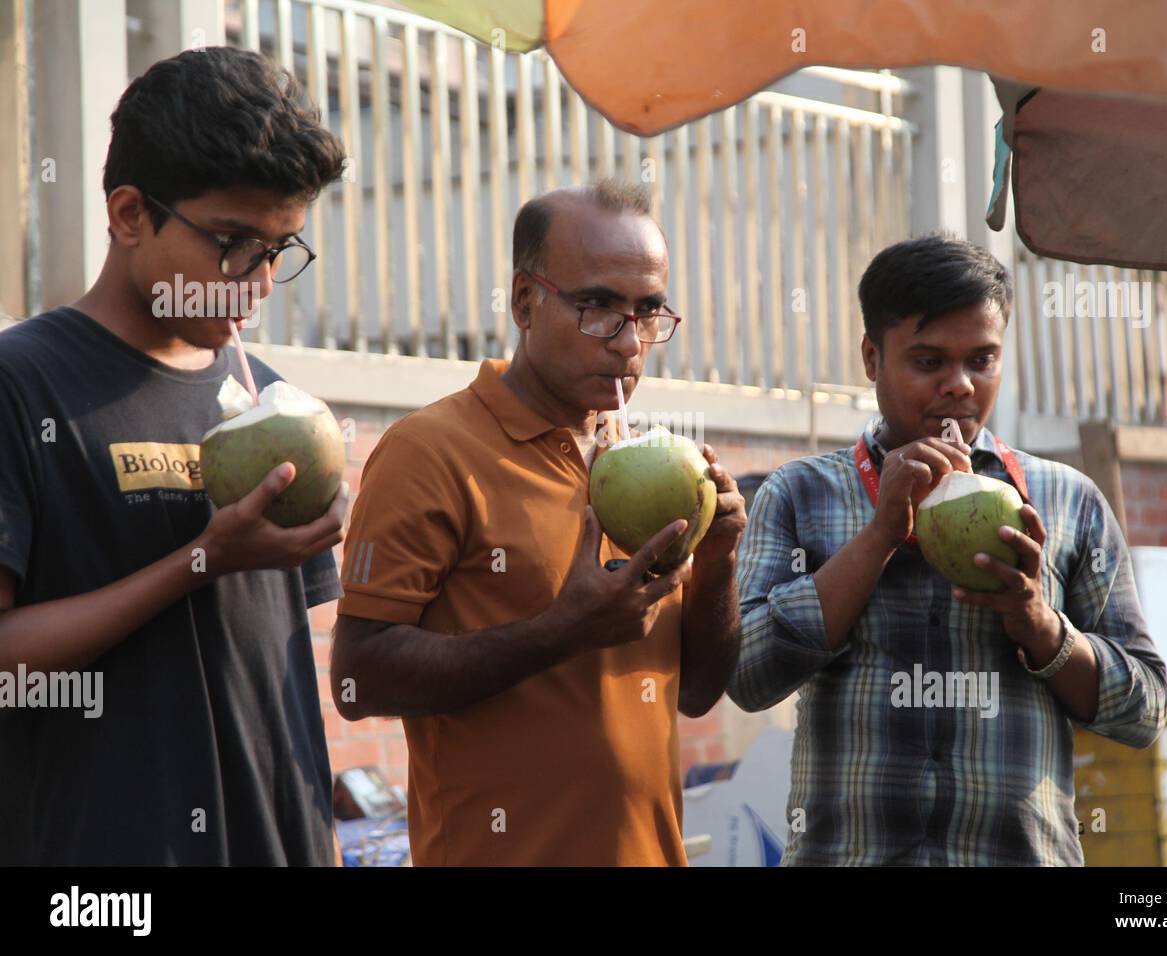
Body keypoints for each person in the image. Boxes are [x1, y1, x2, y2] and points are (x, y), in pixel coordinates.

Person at [0, 47, 349, 865]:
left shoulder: (271, 401)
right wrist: (201, 560)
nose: (256, 283)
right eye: (233, 243)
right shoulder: (23, 386)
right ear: (129, 214)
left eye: (279, 249)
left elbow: (278, 680)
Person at [331, 181, 747, 866]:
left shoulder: (652, 465)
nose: (627, 341)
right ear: (525, 301)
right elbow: (358, 679)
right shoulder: (429, 451)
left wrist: (721, 560)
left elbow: (698, 693)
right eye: (598, 307)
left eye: (647, 312)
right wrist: (563, 632)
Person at [729, 234, 1167, 865]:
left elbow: (1145, 709)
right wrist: (880, 536)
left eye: (981, 360)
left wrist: (1041, 628)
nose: (959, 386)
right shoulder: (801, 494)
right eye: (929, 362)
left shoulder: (1067, 501)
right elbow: (747, 676)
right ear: (871, 358)